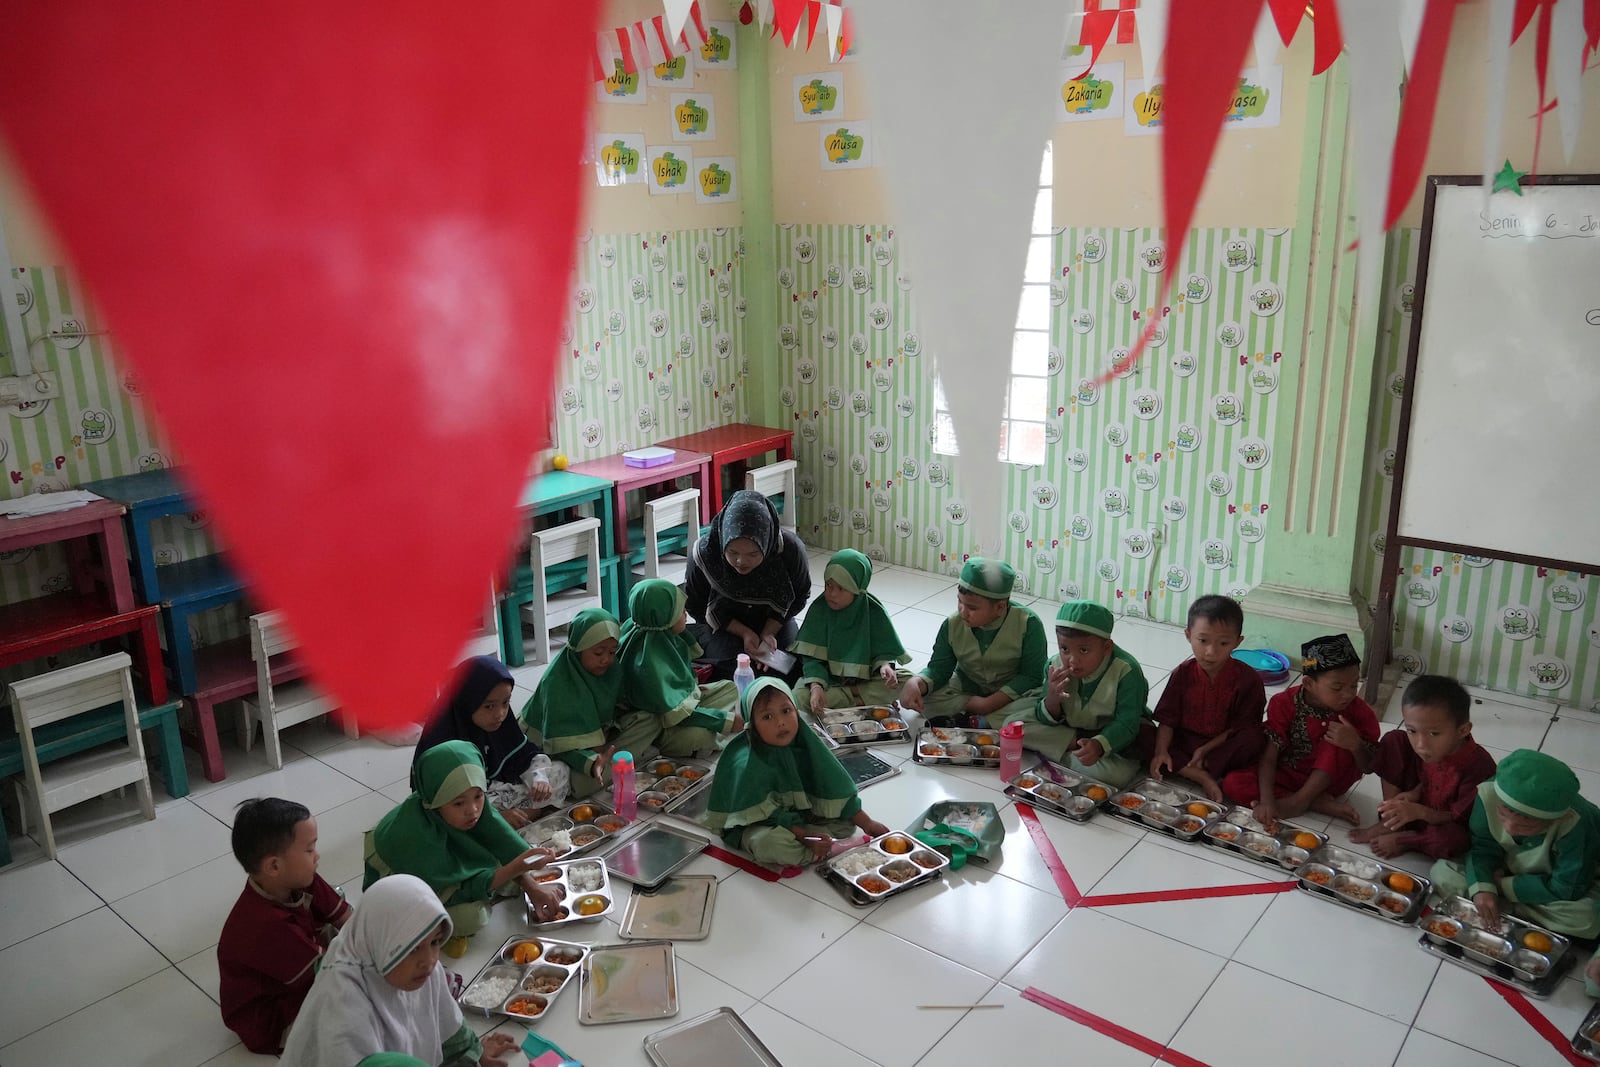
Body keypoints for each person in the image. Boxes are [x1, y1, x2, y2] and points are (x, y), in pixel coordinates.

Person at [278, 873, 520, 1067]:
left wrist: (473, 1056)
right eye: (413, 948)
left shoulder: (421, 965)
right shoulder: (343, 1004)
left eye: (436, 942)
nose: (429, 960)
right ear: (381, 943)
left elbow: (446, 1025)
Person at [364, 740, 563, 956]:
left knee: (506, 868)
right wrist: (513, 870)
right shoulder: (414, 837)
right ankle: (442, 932)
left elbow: (502, 842)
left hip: (443, 861)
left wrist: (531, 886)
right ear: (435, 801)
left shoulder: (468, 801)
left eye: (479, 797)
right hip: (413, 887)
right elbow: (456, 886)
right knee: (473, 916)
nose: (473, 810)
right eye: (459, 804)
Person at [1428, 749, 1600, 998]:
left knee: (1587, 916)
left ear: (1555, 819)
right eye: (1503, 817)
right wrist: (1484, 886)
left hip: (1557, 884)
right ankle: (1508, 908)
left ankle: (1502, 907)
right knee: (1442, 872)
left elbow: (1568, 886)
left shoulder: (1576, 823)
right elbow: (1483, 847)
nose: (1509, 828)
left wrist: (1504, 887)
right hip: (1512, 872)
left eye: (1526, 826)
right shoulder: (1489, 794)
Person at [705, 677, 891, 866]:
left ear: (796, 710)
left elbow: (837, 790)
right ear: (752, 725)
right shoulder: (747, 761)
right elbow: (767, 815)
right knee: (770, 843)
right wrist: (803, 836)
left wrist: (868, 824)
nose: (781, 723)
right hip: (759, 824)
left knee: (845, 823)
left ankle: (819, 844)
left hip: (799, 817)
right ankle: (817, 852)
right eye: (767, 717)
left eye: (786, 711)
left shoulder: (807, 744)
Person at [217, 797, 352, 1055]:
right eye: (309, 849)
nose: (317, 856)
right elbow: (335, 972)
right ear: (274, 866)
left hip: (301, 970)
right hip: (273, 1020)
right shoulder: (265, 927)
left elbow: (347, 919)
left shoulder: (299, 877)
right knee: (356, 1011)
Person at [1221, 634, 1380, 826]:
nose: (1348, 694)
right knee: (1232, 783)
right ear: (1309, 684)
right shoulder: (1284, 703)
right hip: (1288, 775)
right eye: (1337, 687)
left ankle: (1299, 802)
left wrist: (1355, 744)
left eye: (1354, 685)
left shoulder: (1358, 713)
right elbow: (1269, 756)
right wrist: (1268, 801)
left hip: (1332, 781)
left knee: (1339, 736)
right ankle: (1315, 803)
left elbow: (1369, 767)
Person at [1349, 675, 1497, 859]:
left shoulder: (1479, 767)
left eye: (1434, 733)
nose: (1420, 744)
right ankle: (1393, 818)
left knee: (1452, 840)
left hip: (1446, 822)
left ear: (1462, 730)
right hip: (1420, 805)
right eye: (1412, 730)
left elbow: (1458, 817)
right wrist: (1414, 795)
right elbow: (1428, 777)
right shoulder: (1430, 748)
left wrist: (1420, 812)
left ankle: (1407, 839)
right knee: (1395, 739)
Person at [1007, 601, 1152, 788]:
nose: (1072, 660)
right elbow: (1044, 716)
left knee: (1117, 777)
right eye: (1065, 649)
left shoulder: (1127, 671)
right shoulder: (1055, 665)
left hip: (1110, 737)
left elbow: (1127, 723)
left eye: (1084, 650)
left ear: (1107, 647)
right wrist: (1052, 699)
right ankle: (1073, 750)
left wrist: (1099, 745)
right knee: (1011, 727)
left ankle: (1058, 752)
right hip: (1071, 730)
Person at [520, 607, 657, 797]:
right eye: (598, 653)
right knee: (577, 777)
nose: (606, 660)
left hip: (596, 736)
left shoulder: (612, 669)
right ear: (578, 649)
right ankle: (594, 770)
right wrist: (590, 761)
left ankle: (602, 766)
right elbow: (558, 745)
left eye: (611, 652)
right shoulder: (558, 684)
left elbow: (620, 705)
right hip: (551, 749)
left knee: (649, 720)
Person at [898, 558, 1047, 728]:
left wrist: (990, 703)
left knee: (1040, 704)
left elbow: (1031, 676)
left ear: (999, 607)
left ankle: (977, 718)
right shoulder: (952, 624)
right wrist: (916, 683)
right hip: (968, 687)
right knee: (922, 695)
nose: (963, 611)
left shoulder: (1029, 624)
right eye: (960, 602)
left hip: (1012, 693)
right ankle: (985, 718)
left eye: (972, 608)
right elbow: (940, 669)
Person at [684, 488, 812, 680]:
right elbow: (696, 606)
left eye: (753, 554)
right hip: (721, 624)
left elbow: (800, 597)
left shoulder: (789, 551)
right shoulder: (705, 554)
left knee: (792, 667)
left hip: (774, 620)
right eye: (733, 552)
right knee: (737, 667)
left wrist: (769, 632)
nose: (741, 562)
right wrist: (743, 632)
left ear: (767, 544)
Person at [412, 656, 553, 828]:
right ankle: (517, 817)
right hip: (465, 801)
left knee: (557, 772)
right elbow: (445, 800)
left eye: (505, 702)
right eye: (489, 706)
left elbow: (524, 755)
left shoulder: (501, 723)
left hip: (496, 787)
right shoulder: (442, 739)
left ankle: (521, 815)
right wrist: (496, 816)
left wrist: (539, 779)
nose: (500, 714)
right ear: (467, 702)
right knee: (461, 811)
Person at [1148, 596, 1266, 802]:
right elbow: (1168, 719)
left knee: (1255, 738)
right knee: (1143, 732)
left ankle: (1188, 768)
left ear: (1238, 642)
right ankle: (1200, 775)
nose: (1211, 652)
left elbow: (1243, 727)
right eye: (1203, 641)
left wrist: (1205, 750)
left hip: (1221, 746)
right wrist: (1160, 752)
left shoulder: (1248, 680)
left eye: (1223, 643)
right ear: (1188, 635)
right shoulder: (1183, 673)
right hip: (1184, 741)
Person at [618, 578, 742, 757]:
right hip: (662, 726)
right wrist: (725, 722)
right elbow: (672, 714)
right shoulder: (647, 663)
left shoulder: (654, 632)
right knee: (701, 735)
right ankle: (664, 747)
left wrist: (690, 695)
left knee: (729, 688)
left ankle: (707, 736)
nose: (685, 614)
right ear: (662, 616)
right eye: (679, 611)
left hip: (676, 712)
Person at [791, 548, 912, 715]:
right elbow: (812, 658)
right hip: (832, 683)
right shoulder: (819, 610)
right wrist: (816, 686)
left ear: (857, 589)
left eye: (841, 588)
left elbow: (884, 648)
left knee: (909, 681)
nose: (832, 594)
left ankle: (851, 702)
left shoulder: (873, 611)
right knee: (798, 696)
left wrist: (885, 666)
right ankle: (866, 702)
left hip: (867, 680)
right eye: (828, 585)